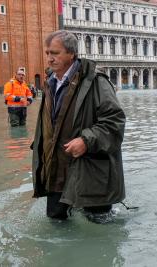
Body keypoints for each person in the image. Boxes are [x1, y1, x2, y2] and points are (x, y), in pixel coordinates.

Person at [31, 30, 126, 223]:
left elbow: (115, 122)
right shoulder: (50, 82)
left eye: (55, 53)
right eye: (47, 53)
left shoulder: (97, 82)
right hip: (55, 169)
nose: (49, 58)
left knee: (98, 229)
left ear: (71, 53)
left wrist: (86, 140)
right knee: (56, 223)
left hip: (91, 171)